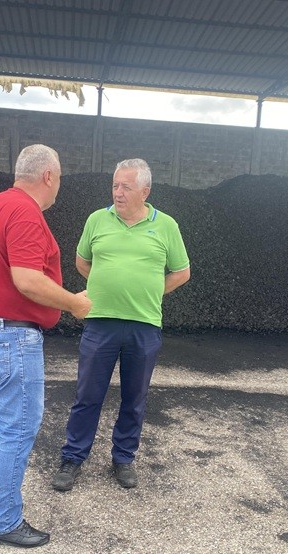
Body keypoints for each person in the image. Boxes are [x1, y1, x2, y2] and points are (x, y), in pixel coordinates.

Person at [0, 144, 91, 548]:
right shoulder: (25, 212)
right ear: (49, 176)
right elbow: (27, 279)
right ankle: (4, 522)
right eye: (60, 179)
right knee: (17, 426)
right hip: (12, 336)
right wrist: (74, 303)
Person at [51, 158, 190, 492]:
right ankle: (73, 457)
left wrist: (149, 292)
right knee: (87, 395)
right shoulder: (98, 219)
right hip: (100, 324)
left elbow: (181, 272)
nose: (118, 192)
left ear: (145, 190)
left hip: (143, 326)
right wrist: (106, 287)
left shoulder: (166, 225)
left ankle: (123, 458)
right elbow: (82, 261)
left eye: (126, 186)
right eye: (115, 185)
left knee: (134, 397)